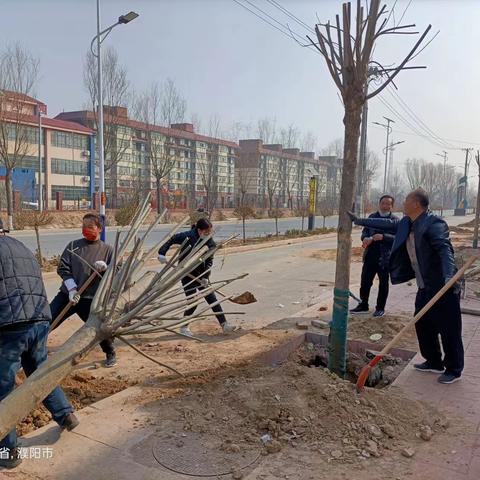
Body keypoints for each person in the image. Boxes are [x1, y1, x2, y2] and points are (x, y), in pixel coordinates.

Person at [349, 188, 463, 384]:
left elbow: (445, 251)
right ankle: (434, 361)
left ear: (416, 204)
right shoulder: (406, 222)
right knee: (423, 324)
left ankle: (453, 369)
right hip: (424, 286)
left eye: (407, 199)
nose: (403, 202)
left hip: (443, 287)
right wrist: (359, 220)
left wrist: (448, 276)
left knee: (449, 329)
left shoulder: (434, 224)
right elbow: (385, 223)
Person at [0, 219, 78, 470]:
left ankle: (7, 451)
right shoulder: (21, 247)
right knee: (39, 369)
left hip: (11, 326)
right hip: (40, 319)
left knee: (2, 387)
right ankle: (65, 414)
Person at [50, 213, 117, 367]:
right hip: (68, 296)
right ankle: (31, 351)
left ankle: (110, 352)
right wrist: (72, 288)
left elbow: (116, 271)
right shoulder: (73, 246)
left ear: (99, 228)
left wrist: (106, 269)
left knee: (98, 329)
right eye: (83, 226)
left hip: (91, 299)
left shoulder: (108, 251)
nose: (85, 229)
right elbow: (63, 267)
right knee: (48, 320)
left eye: (90, 227)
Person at [158, 218, 235, 336]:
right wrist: (162, 253)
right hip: (186, 274)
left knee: (212, 299)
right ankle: (184, 327)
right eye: (206, 232)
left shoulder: (210, 242)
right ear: (199, 230)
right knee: (193, 301)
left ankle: (224, 325)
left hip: (201, 275)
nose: (208, 234)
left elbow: (209, 261)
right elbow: (172, 239)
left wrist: (206, 276)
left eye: (209, 232)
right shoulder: (188, 236)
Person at [350, 195, 398, 317]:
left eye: (388, 204)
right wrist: (365, 238)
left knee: (383, 284)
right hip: (371, 255)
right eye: (383, 203)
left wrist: (384, 237)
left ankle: (380, 308)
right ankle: (363, 304)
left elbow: (398, 239)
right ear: (379, 204)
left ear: (392, 206)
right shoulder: (372, 217)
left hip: (385, 258)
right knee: (365, 281)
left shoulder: (396, 221)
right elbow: (365, 232)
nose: (385, 206)